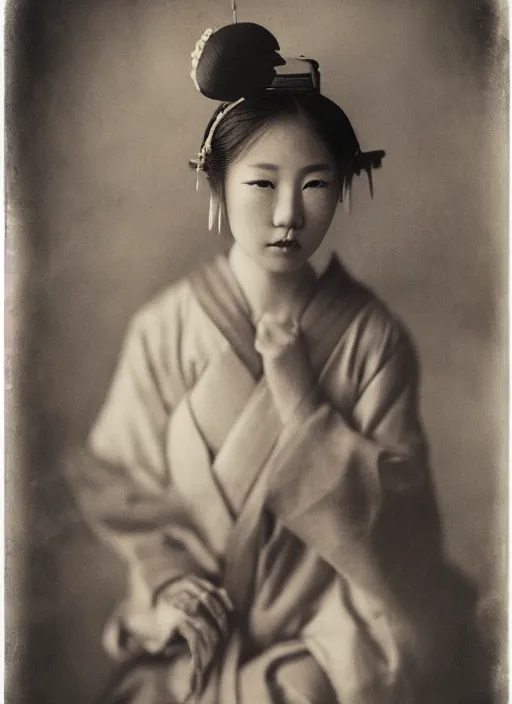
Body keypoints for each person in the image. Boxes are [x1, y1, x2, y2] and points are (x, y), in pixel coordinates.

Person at [67, 21, 487, 704]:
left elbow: (403, 537)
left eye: (316, 184)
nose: (289, 213)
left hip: (331, 640)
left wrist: (302, 404)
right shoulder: (165, 329)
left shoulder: (372, 338)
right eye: (262, 184)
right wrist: (171, 584)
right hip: (190, 639)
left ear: (343, 187)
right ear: (217, 187)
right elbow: (120, 480)